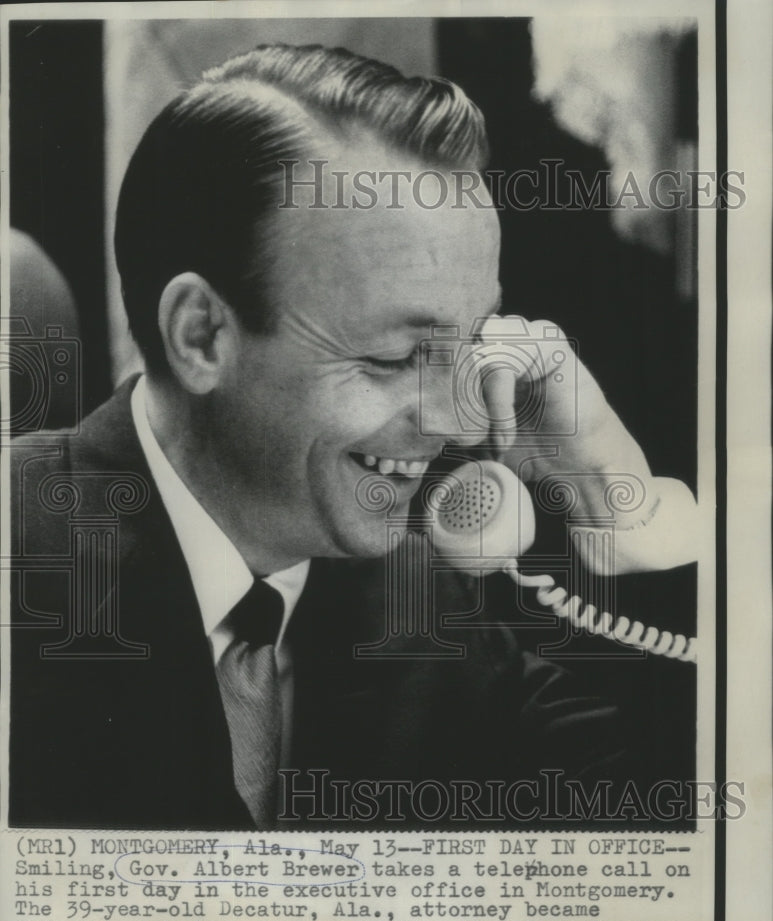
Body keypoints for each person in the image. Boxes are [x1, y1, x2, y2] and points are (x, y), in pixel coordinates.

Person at [8, 43, 697, 831]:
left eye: (470, 346)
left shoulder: (416, 598)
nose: (455, 419)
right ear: (201, 336)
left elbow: (683, 815)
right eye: (394, 357)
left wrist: (624, 510)